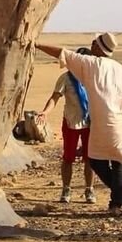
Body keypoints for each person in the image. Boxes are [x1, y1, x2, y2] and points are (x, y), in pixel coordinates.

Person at [35, 33, 122, 216]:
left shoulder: (94, 64)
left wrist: (36, 44)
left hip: (106, 124)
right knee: (119, 162)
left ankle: (119, 201)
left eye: (94, 42)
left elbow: (62, 53)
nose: (91, 45)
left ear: (99, 47)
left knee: (96, 161)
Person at [36, 48, 97, 204]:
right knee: (68, 157)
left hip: (90, 122)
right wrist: (45, 112)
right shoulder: (66, 79)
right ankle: (66, 189)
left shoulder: (93, 78)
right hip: (71, 122)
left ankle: (89, 189)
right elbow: (55, 97)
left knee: (90, 158)